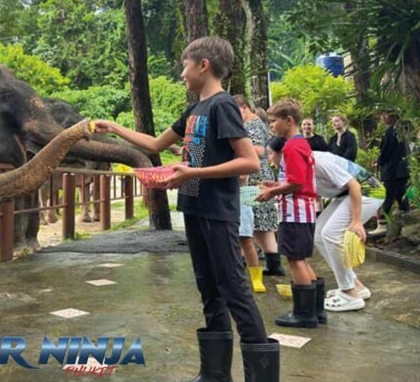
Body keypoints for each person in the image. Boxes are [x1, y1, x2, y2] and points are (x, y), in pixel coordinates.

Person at [94, 36, 278, 381]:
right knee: (207, 287)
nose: (182, 73)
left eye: (184, 65)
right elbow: (155, 144)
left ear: (203, 65)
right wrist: (114, 128)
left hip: (218, 211)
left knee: (234, 289)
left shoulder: (222, 106)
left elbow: (250, 161)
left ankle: (261, 375)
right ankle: (215, 373)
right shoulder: (195, 110)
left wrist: (193, 172)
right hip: (194, 208)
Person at [268, 139, 383, 313]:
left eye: (270, 153)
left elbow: (354, 185)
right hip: (344, 195)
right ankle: (355, 286)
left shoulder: (319, 160)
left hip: (367, 192)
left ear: (283, 153)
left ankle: (349, 293)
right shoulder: (296, 165)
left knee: (330, 234)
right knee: (319, 235)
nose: (269, 158)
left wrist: (356, 221)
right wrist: (276, 187)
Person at [257, 98, 320, 329]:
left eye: (274, 121)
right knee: (300, 259)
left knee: (295, 260)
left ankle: (304, 314)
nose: (271, 126)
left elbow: (295, 182)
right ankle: (316, 310)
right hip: (303, 209)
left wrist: (271, 193)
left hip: (295, 211)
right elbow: (296, 180)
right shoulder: (301, 143)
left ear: (289, 120)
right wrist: (275, 186)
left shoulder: (291, 147)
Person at [233, 94, 280, 290]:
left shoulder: (252, 124)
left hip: (254, 177)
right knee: (260, 225)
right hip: (254, 176)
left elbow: (260, 151)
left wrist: (235, 147)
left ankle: (266, 265)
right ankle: (273, 264)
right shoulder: (254, 124)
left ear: (244, 108)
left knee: (255, 225)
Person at [377, 112, 411, 215]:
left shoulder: (392, 131)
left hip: (393, 169)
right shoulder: (401, 130)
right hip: (401, 168)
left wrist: (379, 161)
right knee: (401, 193)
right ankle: (406, 214)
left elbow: (387, 150)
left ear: (393, 116)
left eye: (385, 115)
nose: (382, 117)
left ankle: (382, 220)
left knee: (389, 194)